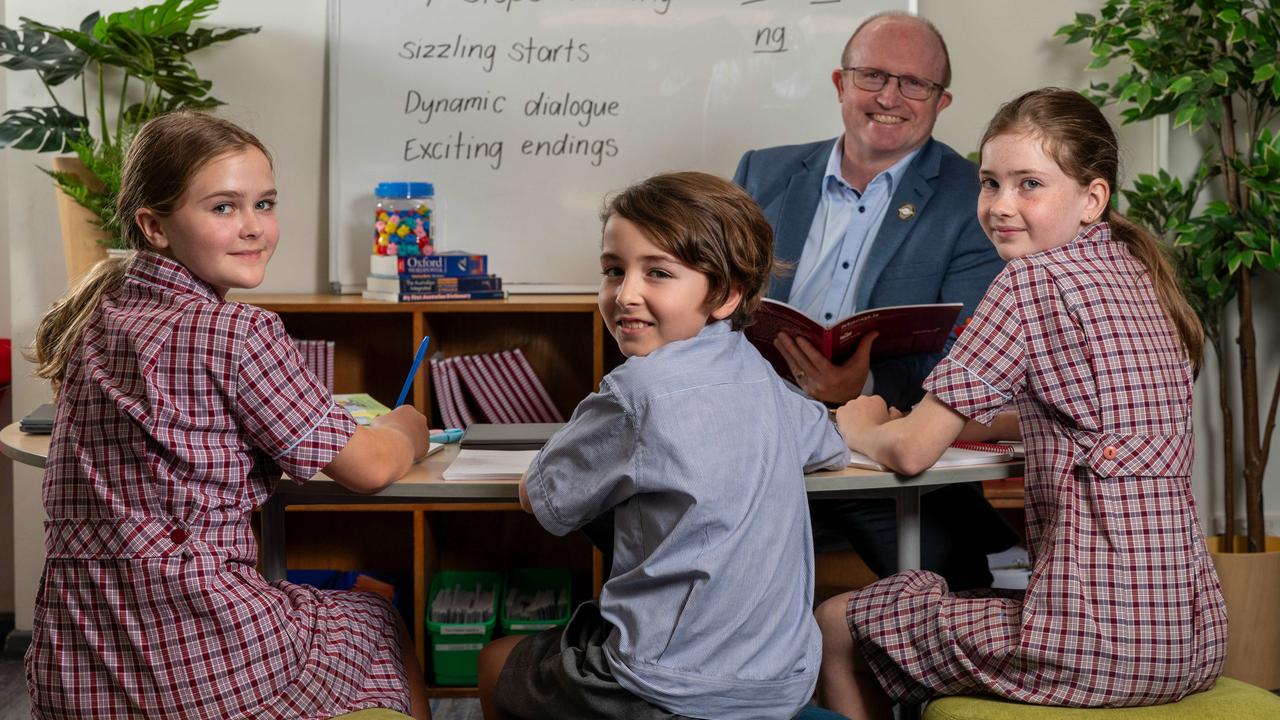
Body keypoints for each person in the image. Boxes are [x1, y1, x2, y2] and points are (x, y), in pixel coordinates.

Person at [816, 88, 1227, 719]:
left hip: (1093, 647)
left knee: (839, 621)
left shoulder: (1032, 280)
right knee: (964, 596)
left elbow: (909, 451)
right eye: (989, 183)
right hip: (1190, 641)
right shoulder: (1136, 273)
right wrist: (963, 422)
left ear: (1093, 197)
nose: (1001, 206)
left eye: (1028, 184)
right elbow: (1088, 412)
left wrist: (861, 422)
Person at [24, 111, 433, 720]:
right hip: (199, 662)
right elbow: (371, 468)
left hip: (74, 662)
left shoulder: (91, 318)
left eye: (264, 204)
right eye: (223, 208)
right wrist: (407, 427)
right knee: (373, 615)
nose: (253, 228)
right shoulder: (237, 332)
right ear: (153, 226)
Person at [476, 172, 851, 720]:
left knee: (495, 661)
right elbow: (827, 441)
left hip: (666, 685)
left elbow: (542, 499)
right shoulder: (763, 377)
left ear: (726, 294)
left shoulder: (635, 393)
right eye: (613, 271)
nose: (626, 294)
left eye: (657, 273)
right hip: (783, 680)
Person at [733, 10, 1014, 590]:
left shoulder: (977, 198)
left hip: (880, 449)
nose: (891, 96)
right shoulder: (763, 173)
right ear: (841, 84)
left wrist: (857, 390)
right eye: (872, 76)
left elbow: (970, 360)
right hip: (750, 433)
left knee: (945, 578)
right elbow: (714, 301)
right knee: (631, 512)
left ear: (942, 102)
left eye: (915, 84)